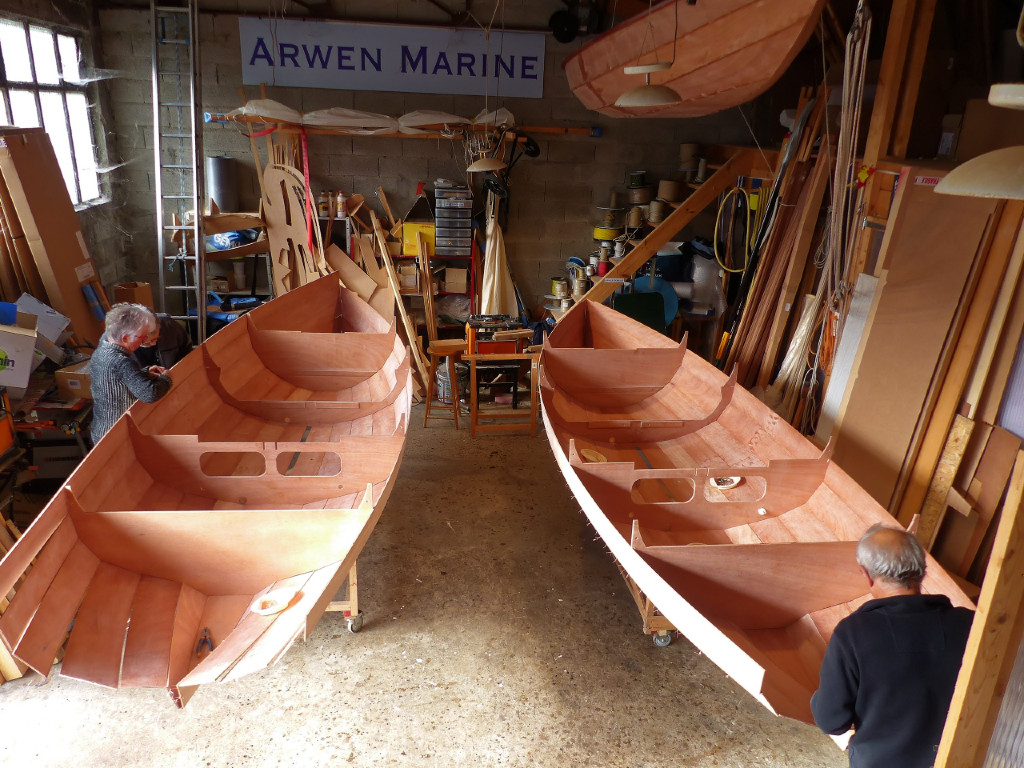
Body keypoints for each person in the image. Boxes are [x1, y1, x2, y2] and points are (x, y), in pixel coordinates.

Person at [811, 524, 974, 768]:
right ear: (923, 570)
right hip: (963, 758)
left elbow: (831, 720)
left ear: (866, 574)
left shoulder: (852, 633)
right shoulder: (970, 624)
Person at [89, 303, 173, 444]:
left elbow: (116, 379)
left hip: (101, 429)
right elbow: (149, 394)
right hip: (115, 435)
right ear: (125, 338)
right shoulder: (121, 362)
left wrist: (144, 373)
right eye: (142, 337)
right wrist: (166, 379)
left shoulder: (102, 348)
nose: (144, 341)